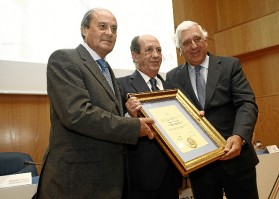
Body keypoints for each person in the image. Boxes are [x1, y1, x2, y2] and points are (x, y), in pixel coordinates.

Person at [35, 8, 154, 199]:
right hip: (76, 182)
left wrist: (127, 114)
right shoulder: (65, 59)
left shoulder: (106, 69)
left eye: (114, 29)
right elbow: (77, 114)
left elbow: (107, 114)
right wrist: (132, 127)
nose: (109, 32)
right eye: (102, 26)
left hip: (106, 180)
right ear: (83, 29)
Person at [165, 21, 259, 199]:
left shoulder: (230, 65)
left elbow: (247, 103)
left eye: (197, 39)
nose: (193, 46)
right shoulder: (172, 77)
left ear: (206, 40)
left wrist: (239, 136)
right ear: (179, 49)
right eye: (186, 43)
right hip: (201, 168)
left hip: (237, 161)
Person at [117, 35, 181, 199]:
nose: (156, 55)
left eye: (158, 50)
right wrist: (129, 116)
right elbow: (112, 125)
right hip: (140, 179)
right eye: (149, 50)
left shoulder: (172, 88)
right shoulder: (120, 85)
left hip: (173, 175)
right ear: (134, 55)